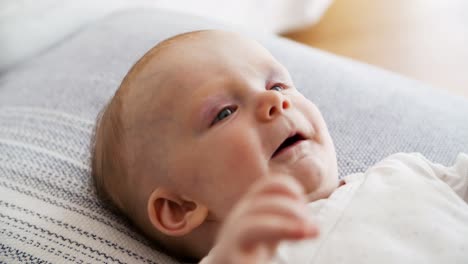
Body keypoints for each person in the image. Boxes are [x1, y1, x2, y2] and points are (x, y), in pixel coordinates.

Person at [91, 29, 468, 264]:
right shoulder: (250, 254)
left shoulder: (402, 172)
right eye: (224, 113)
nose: (274, 102)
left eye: (277, 86)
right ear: (180, 207)